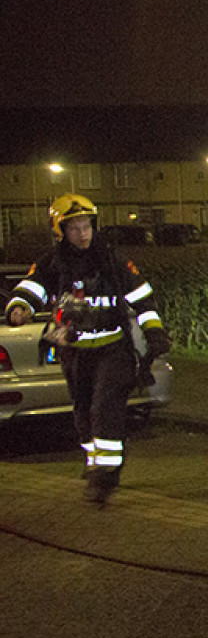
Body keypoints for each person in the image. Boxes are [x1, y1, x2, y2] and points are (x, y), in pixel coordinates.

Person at [5, 194, 171, 504]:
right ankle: (95, 462)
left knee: (104, 410)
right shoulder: (52, 263)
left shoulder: (113, 260)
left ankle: (105, 478)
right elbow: (31, 288)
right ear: (60, 232)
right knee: (83, 414)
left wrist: (155, 333)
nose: (83, 234)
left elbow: (143, 300)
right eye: (75, 228)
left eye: (87, 226)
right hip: (75, 353)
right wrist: (19, 307)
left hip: (113, 349)